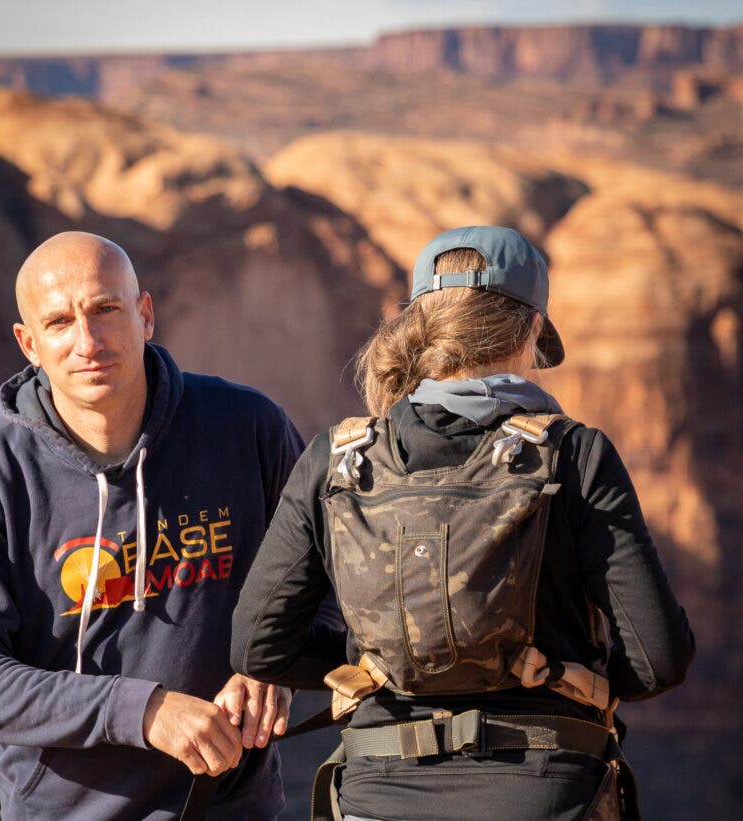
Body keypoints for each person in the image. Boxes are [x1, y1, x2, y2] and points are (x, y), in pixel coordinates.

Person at [230, 226, 695, 821]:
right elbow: (658, 659)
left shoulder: (338, 458)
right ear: (531, 332)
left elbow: (256, 645)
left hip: (379, 795)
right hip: (544, 795)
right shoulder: (573, 454)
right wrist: (563, 671)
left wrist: (389, 661)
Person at [0, 231, 303, 820]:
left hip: (233, 806)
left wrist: (276, 664)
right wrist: (143, 712)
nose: (87, 342)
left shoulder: (247, 428)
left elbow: (330, 579)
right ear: (28, 343)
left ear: (145, 314)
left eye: (106, 309)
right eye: (59, 323)